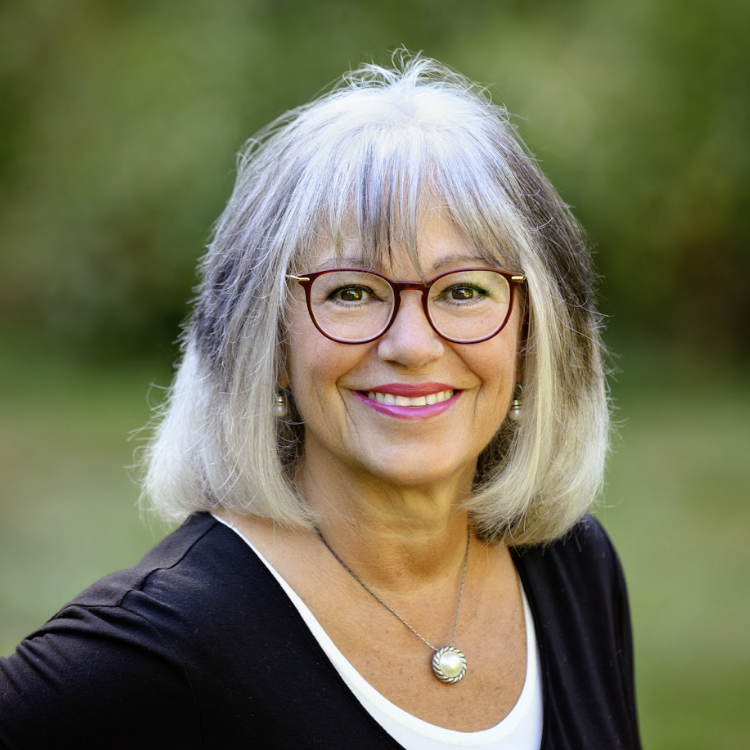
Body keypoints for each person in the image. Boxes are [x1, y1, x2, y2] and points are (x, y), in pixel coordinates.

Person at [0, 54, 641, 749]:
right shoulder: (166, 643)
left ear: (532, 338)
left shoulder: (570, 566)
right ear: (269, 343)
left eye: (464, 291)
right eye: (352, 292)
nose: (412, 345)